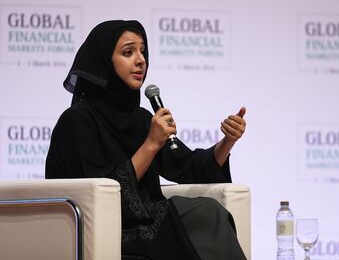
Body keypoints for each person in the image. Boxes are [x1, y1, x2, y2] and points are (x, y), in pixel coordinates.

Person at [45, 20, 247, 260]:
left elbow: (188, 166)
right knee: (204, 212)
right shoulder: (77, 122)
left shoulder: (141, 118)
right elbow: (99, 198)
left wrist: (227, 142)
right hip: (105, 232)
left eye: (143, 51)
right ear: (103, 63)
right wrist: (151, 144)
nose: (140, 60)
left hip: (149, 222)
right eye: (128, 52)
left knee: (208, 212)